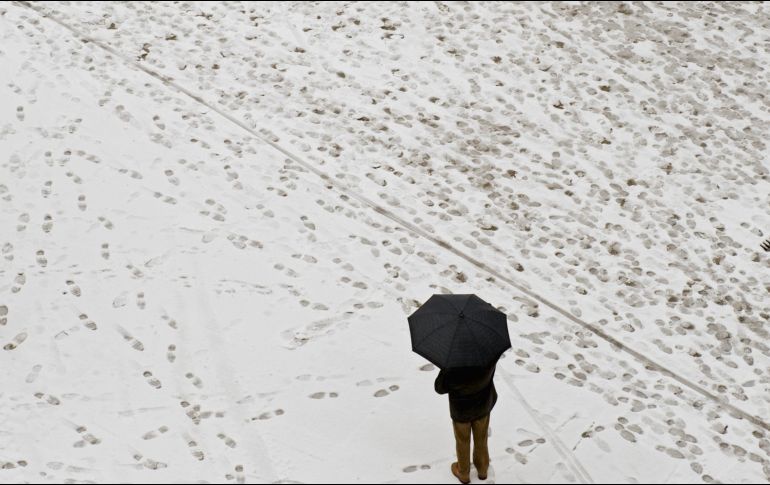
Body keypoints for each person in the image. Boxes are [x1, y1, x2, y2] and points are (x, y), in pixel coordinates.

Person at [435, 361, 498, 484]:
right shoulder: (488, 355)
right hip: (482, 406)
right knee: (481, 437)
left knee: (462, 440)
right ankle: (482, 469)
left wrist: (444, 369)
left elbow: (439, 388)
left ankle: (463, 473)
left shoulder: (452, 364)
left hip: (461, 410)